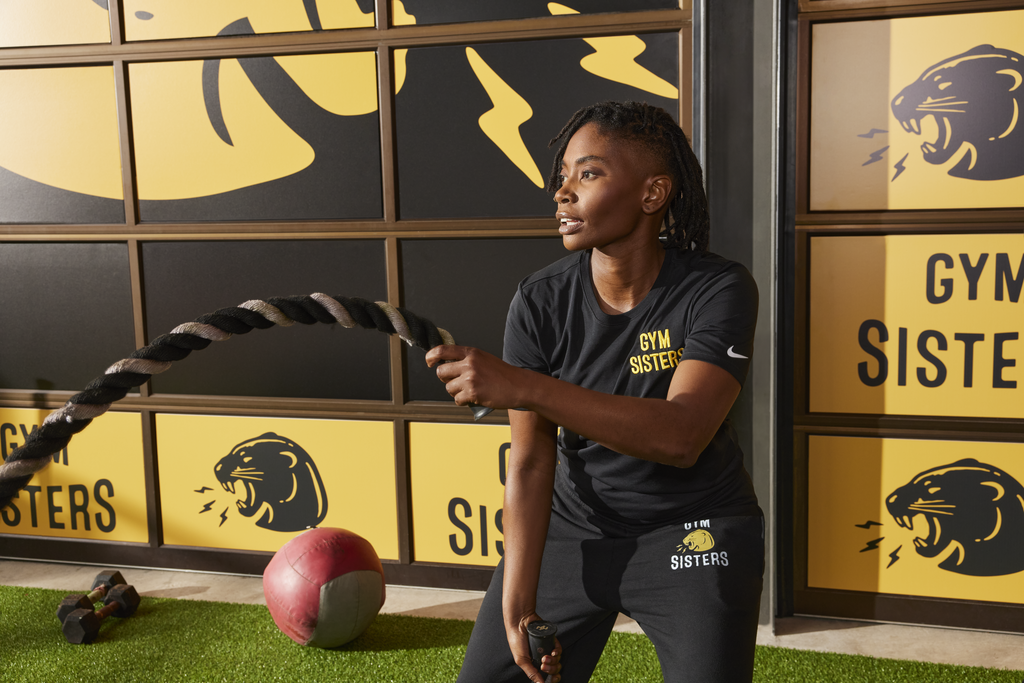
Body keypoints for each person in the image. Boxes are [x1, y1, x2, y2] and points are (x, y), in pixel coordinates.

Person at [426, 100, 763, 683]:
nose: (562, 193)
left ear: (652, 193)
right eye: (562, 178)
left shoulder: (718, 288)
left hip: (691, 529)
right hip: (574, 529)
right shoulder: (539, 300)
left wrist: (525, 387)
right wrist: (517, 603)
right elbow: (531, 461)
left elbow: (683, 435)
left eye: (588, 173)